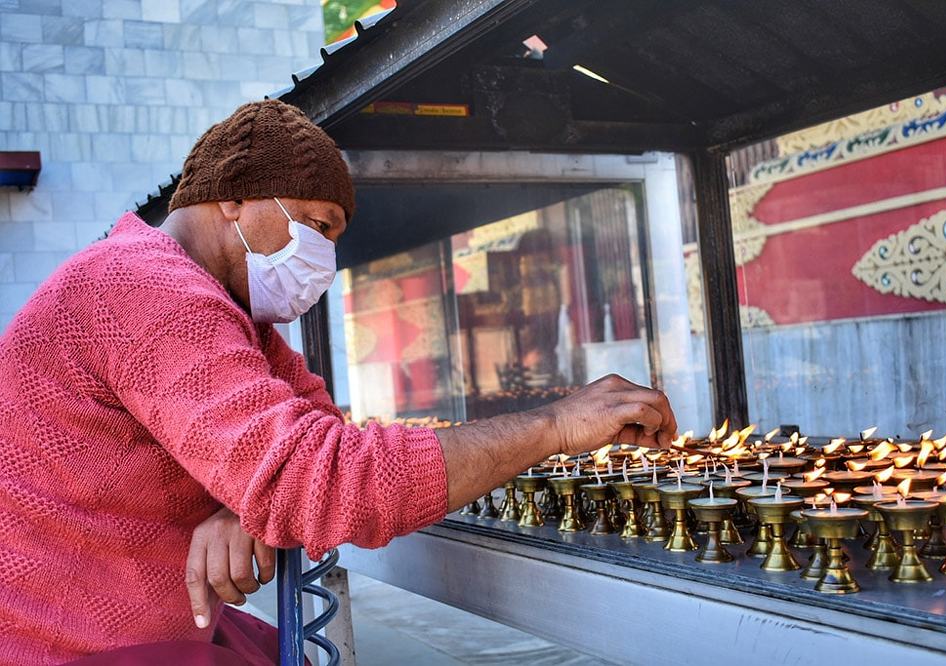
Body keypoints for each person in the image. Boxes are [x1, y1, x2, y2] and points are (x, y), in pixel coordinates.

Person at [0, 99, 677, 664]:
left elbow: (315, 446)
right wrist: (553, 426)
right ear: (233, 196)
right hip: (59, 644)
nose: (322, 253)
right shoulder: (142, 287)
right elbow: (320, 483)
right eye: (317, 225)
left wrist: (248, 504)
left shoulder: (234, 317)